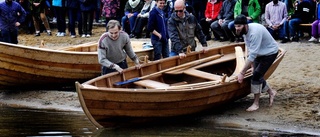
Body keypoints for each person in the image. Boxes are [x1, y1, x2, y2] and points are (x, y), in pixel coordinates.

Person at [234, 15, 278, 112]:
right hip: (259, 53)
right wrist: (252, 64)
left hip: (270, 53)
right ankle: (271, 92)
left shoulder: (254, 33)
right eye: (236, 26)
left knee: (256, 76)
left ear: (245, 25)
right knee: (255, 73)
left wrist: (242, 73)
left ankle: (256, 103)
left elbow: (253, 54)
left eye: (239, 26)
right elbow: (249, 48)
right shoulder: (245, 31)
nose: (237, 28)